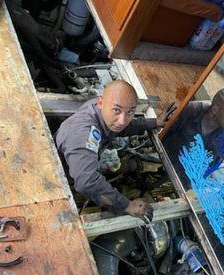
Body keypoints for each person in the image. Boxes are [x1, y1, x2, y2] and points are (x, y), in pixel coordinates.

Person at [55, 80, 176, 222]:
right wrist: (126, 205)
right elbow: (86, 182)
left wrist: (154, 123)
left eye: (130, 112)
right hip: (59, 179)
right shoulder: (83, 134)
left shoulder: (102, 110)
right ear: (100, 103)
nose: (122, 120)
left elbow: (124, 126)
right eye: (117, 110)